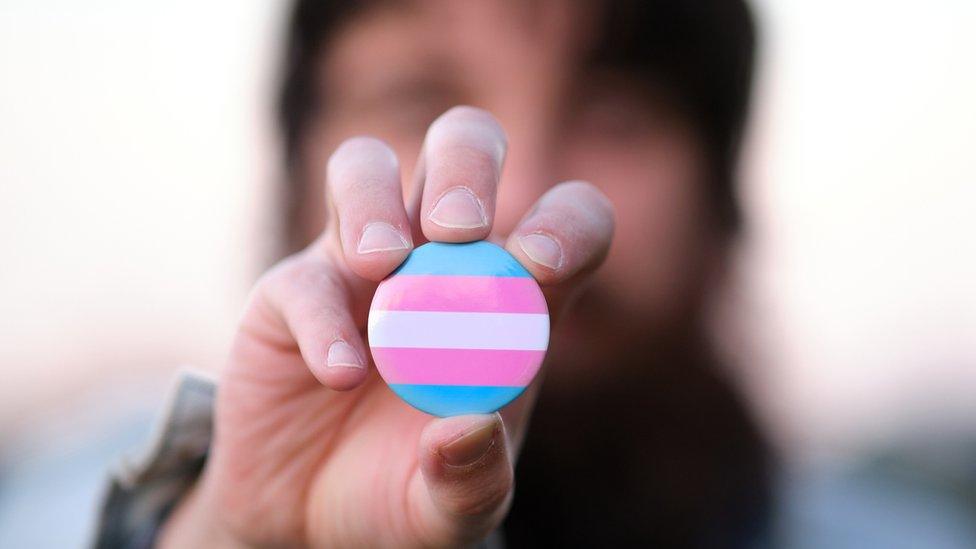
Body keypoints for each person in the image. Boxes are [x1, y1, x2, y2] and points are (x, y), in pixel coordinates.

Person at [96, 0, 769, 547]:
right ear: (294, 170)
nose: (517, 191)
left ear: (720, 194)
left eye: (615, 115)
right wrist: (232, 537)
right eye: (420, 101)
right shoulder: (57, 492)